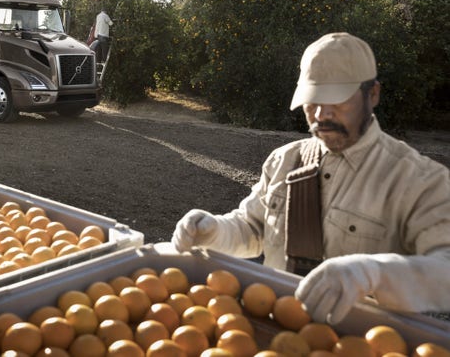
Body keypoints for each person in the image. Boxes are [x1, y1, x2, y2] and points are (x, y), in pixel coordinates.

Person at [172, 32, 450, 325]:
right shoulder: (285, 160)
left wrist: (374, 274)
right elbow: (253, 228)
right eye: (312, 99)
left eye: (338, 100)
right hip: (276, 334)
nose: (321, 114)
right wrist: (214, 231)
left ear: (373, 95)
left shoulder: (419, 179)